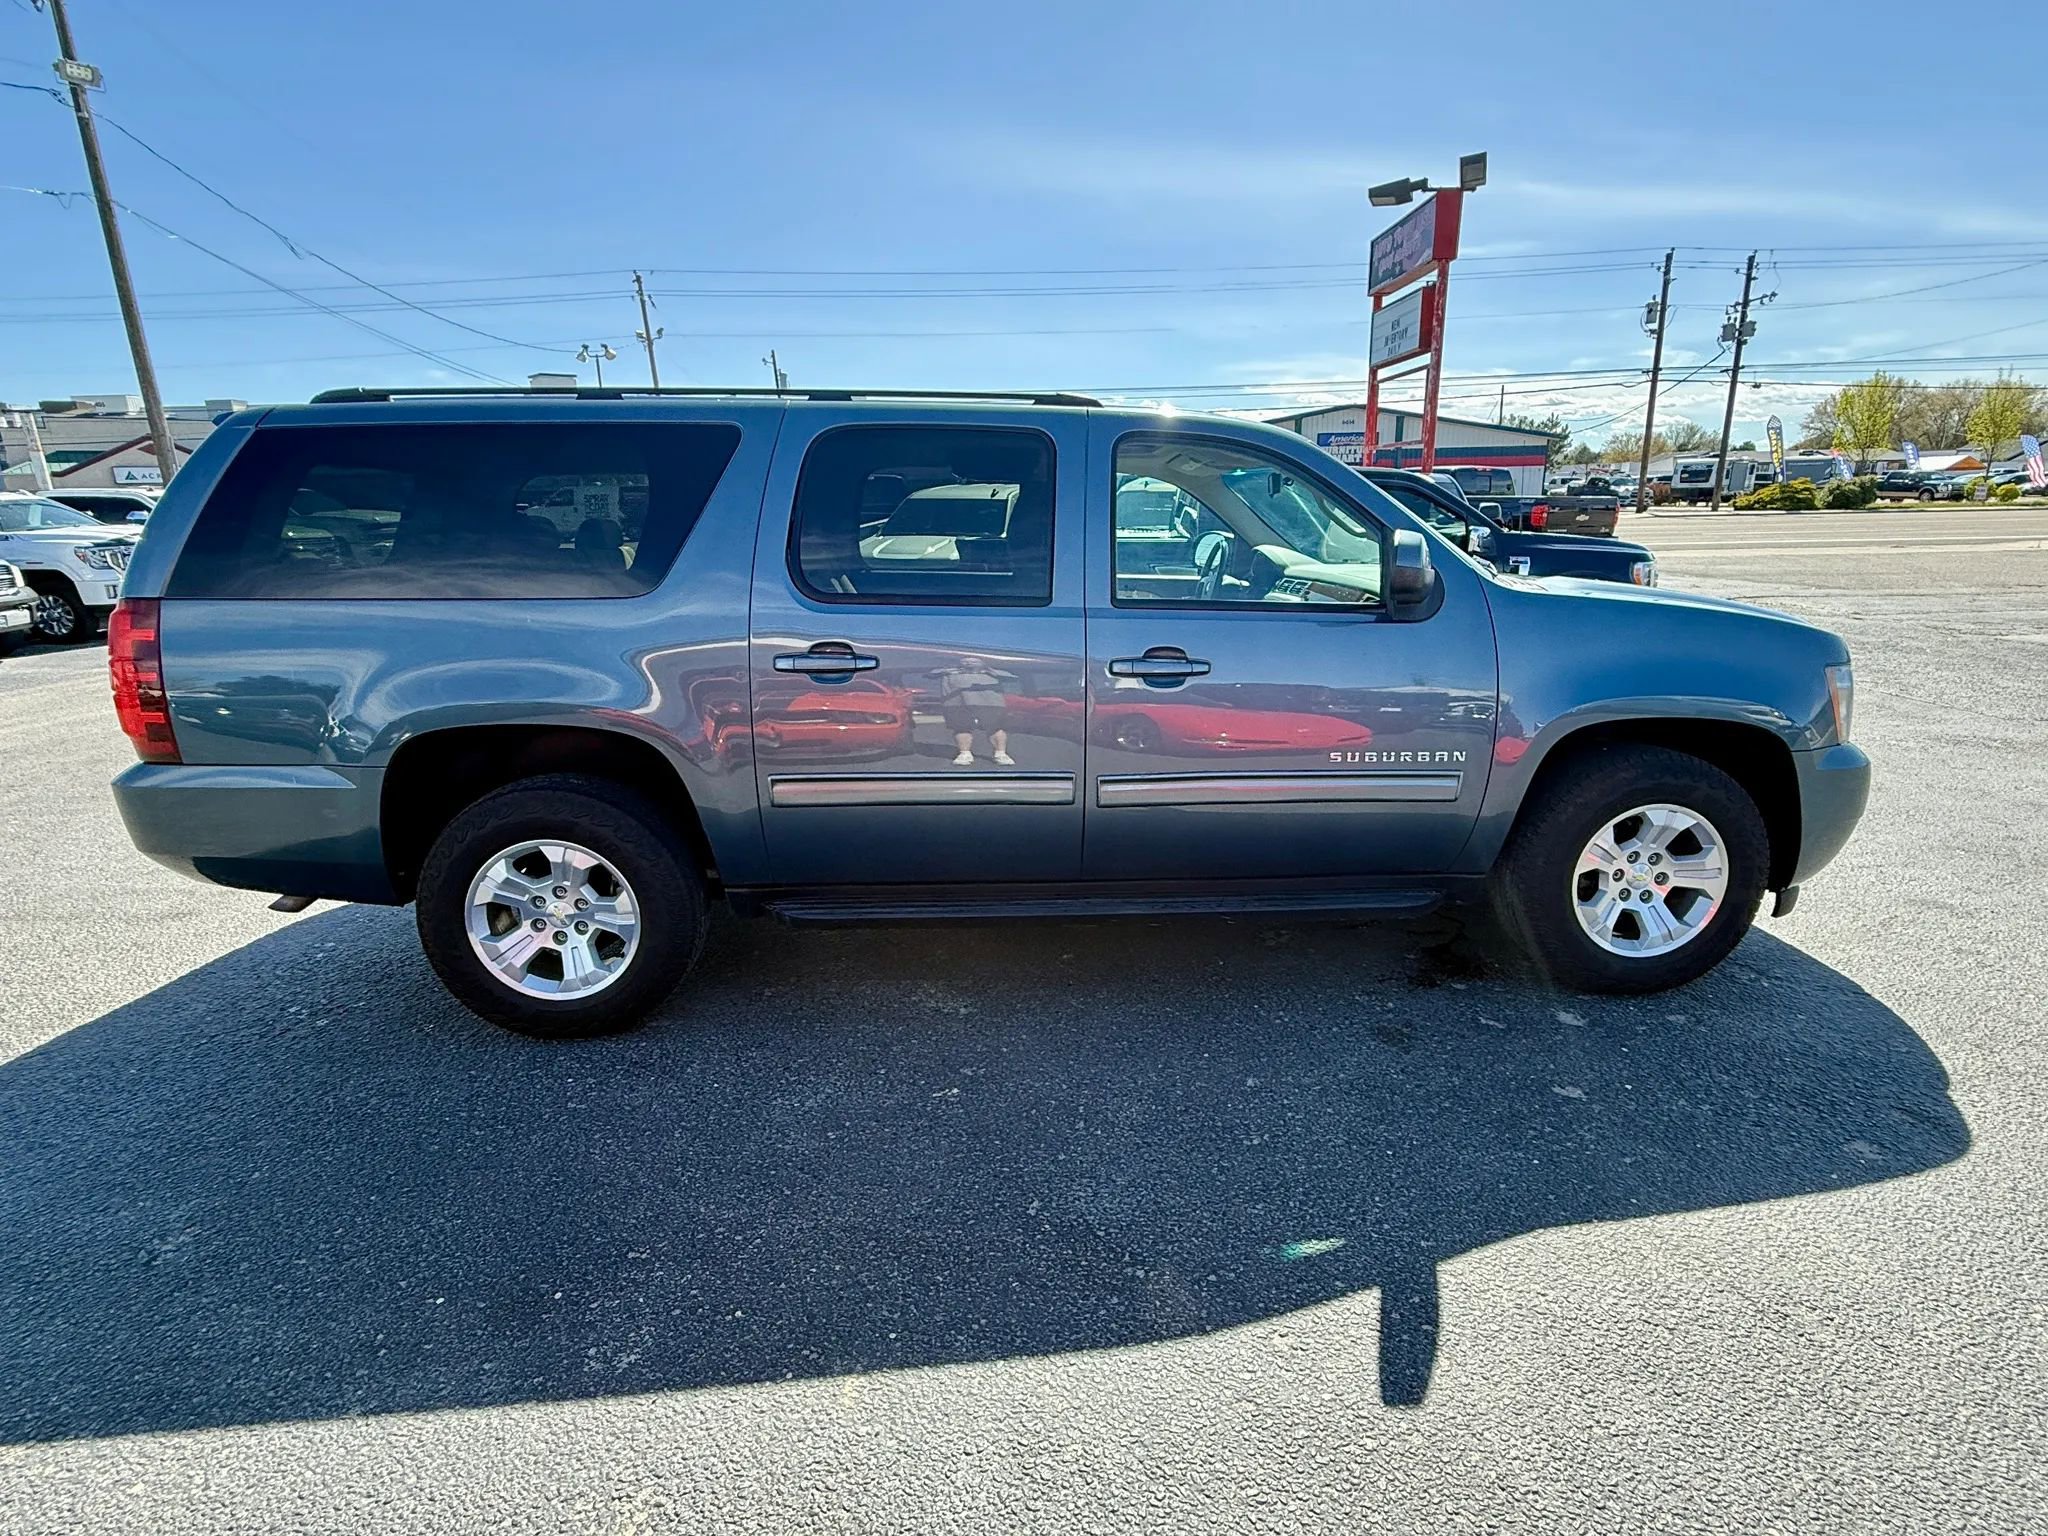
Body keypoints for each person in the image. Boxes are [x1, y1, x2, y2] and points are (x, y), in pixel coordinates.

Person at [937, 656, 1015, 766]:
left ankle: (1001, 754)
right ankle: (964, 754)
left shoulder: (994, 672)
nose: (969, 663)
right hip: (957, 703)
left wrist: (987, 670)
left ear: (982, 661)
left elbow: (1012, 678)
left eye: (973, 660)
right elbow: (931, 674)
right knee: (961, 728)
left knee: (995, 728)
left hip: (990, 704)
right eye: (965, 660)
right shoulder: (948, 671)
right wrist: (953, 670)